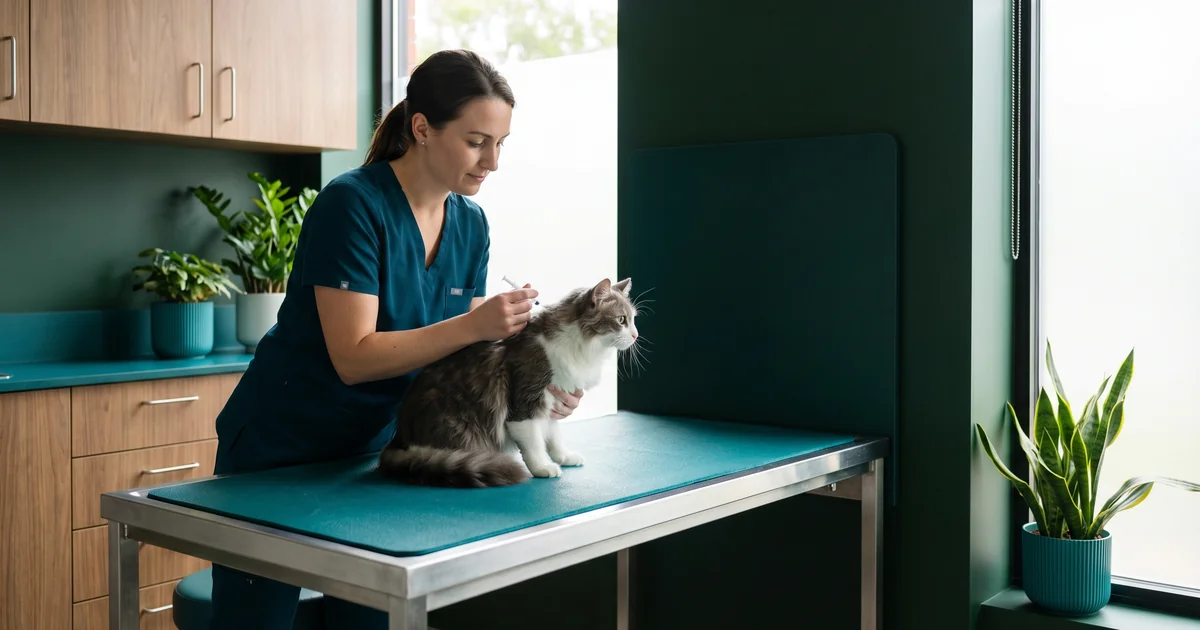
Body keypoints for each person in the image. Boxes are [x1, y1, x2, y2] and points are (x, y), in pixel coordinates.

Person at [207, 49, 585, 630]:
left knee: (369, 620)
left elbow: (455, 355)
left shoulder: (470, 223)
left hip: (380, 453)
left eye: (501, 143)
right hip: (280, 454)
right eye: (477, 141)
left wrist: (541, 386)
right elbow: (354, 357)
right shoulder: (352, 204)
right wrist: (472, 326)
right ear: (422, 129)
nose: (493, 162)